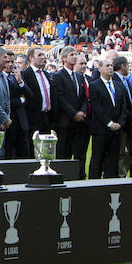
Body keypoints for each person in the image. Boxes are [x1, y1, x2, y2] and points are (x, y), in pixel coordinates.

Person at [51, 46, 88, 177]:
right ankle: (62, 177)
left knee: (79, 152)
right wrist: (74, 114)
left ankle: (78, 177)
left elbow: (84, 96)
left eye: (76, 54)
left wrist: (82, 111)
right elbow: (60, 99)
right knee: (63, 154)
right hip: (64, 123)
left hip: (79, 122)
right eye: (72, 54)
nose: (74, 56)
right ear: (64, 58)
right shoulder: (58, 76)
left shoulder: (79, 76)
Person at [88, 59, 127, 179]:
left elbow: (123, 107)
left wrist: (119, 123)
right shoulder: (94, 86)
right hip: (101, 130)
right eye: (107, 66)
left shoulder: (119, 86)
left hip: (116, 130)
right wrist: (109, 123)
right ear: (99, 68)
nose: (110, 68)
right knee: (97, 160)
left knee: (113, 160)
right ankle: (93, 185)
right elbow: (97, 108)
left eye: (111, 66)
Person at [21, 46, 53, 145]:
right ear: (31, 58)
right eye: (40, 55)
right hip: (32, 119)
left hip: (46, 117)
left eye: (44, 55)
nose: (43, 57)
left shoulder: (47, 75)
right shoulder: (25, 75)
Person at [4, 51, 32, 160]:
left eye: (12, 62)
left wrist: (20, 82)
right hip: (8, 122)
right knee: (8, 154)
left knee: (24, 154)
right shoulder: (0, 78)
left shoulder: (16, 76)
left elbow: (30, 95)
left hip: (21, 121)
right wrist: (20, 100)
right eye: (8, 61)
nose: (10, 64)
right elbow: (5, 100)